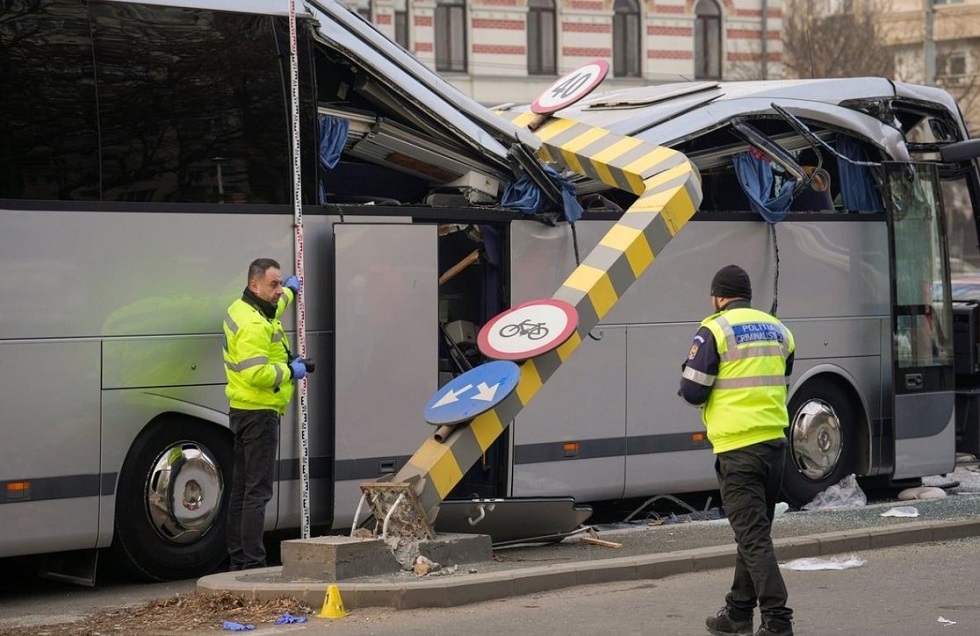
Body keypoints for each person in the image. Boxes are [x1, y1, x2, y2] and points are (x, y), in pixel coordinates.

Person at [678, 264, 796, 636]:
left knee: (753, 537)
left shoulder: (714, 329)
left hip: (738, 449)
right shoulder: (779, 330)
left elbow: (694, 390)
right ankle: (738, 613)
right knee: (754, 534)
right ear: (747, 296)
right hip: (775, 446)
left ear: (718, 296)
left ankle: (778, 620)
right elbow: (782, 378)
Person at [223, 258, 310, 571]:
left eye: (279, 283)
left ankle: (238, 558)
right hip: (260, 413)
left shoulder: (243, 308)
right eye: (273, 285)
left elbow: (276, 304)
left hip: (242, 409)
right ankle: (253, 563)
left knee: (241, 490)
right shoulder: (254, 324)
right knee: (257, 492)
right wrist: (291, 370)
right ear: (254, 285)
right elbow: (257, 373)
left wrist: (289, 291)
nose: (277, 291)